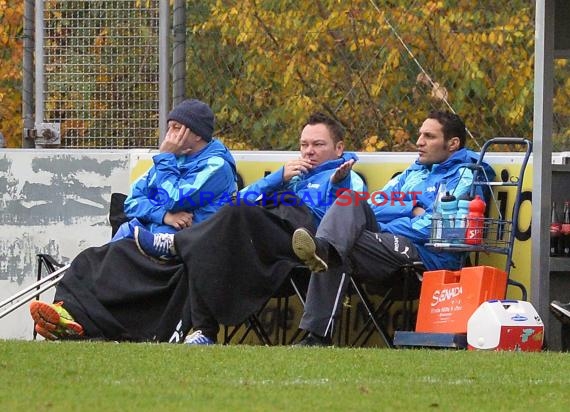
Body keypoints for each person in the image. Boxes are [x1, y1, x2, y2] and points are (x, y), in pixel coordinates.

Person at [134, 112, 366, 345]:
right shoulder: (294, 175)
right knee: (217, 231)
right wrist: (278, 178)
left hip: (308, 243)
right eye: (304, 144)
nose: (309, 151)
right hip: (270, 241)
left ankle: (176, 243)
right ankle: (205, 332)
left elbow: (343, 221)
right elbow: (241, 198)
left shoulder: (349, 177)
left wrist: (338, 184)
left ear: (338, 148)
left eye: (318, 144)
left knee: (248, 210)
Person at [30, 98, 238, 341]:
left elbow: (176, 197)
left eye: (176, 128)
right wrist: (164, 215)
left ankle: (79, 321)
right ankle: (65, 316)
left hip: (185, 247)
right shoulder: (170, 160)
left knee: (114, 256)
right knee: (90, 259)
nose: (169, 135)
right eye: (169, 127)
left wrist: (165, 160)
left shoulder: (217, 166)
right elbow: (133, 201)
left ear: (196, 134)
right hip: (150, 236)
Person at [291, 110, 496, 346]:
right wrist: (411, 207)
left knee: (342, 243)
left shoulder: (465, 175)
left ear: (452, 143)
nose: (419, 142)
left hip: (426, 255)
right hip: (387, 245)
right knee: (350, 200)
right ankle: (323, 249)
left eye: (429, 136)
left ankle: (317, 334)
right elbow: (374, 203)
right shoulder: (414, 171)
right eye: (420, 135)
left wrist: (392, 222)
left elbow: (433, 227)